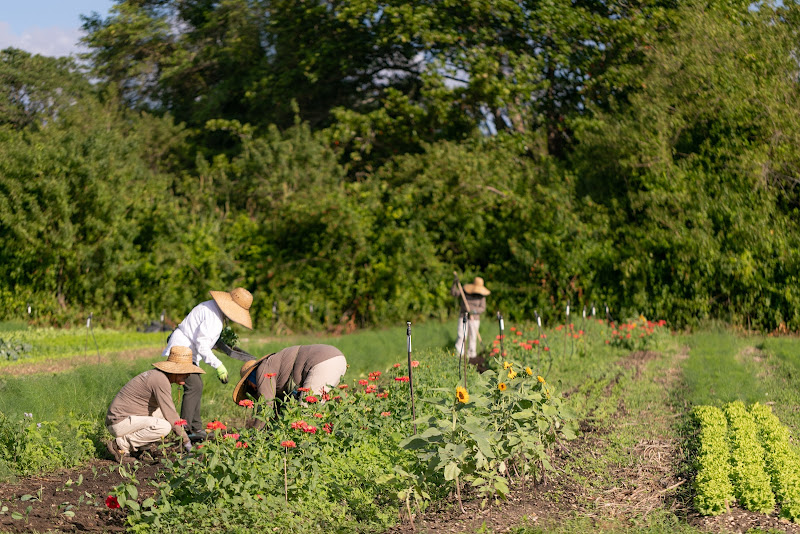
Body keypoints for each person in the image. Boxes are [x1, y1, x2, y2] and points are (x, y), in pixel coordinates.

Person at [164, 287, 254, 441]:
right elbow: (202, 345)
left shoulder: (212, 308)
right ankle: (184, 430)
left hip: (187, 350)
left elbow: (202, 338)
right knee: (194, 386)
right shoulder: (214, 318)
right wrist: (218, 365)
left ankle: (196, 428)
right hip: (181, 351)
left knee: (196, 385)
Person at [105, 346, 204, 463]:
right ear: (176, 370)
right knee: (164, 426)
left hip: (125, 420)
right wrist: (187, 444)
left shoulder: (159, 376)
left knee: (162, 415)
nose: (188, 375)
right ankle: (120, 445)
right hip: (119, 422)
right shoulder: (160, 380)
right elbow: (171, 415)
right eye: (185, 372)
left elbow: (168, 413)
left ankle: (140, 449)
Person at [232, 344, 347, 428]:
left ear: (250, 379)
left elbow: (266, 406)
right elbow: (278, 411)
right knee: (313, 414)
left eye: (249, 386)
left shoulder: (263, 369)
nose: (253, 390)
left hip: (322, 362)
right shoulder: (276, 370)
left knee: (305, 415)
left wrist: (253, 437)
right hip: (336, 359)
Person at [451, 275, 490, 361]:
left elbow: (482, 308)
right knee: (461, 335)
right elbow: (454, 293)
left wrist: (473, 311)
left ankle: (472, 355)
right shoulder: (465, 291)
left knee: (472, 336)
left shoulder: (481, 296)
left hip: (474, 319)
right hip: (463, 316)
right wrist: (454, 284)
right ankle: (459, 354)